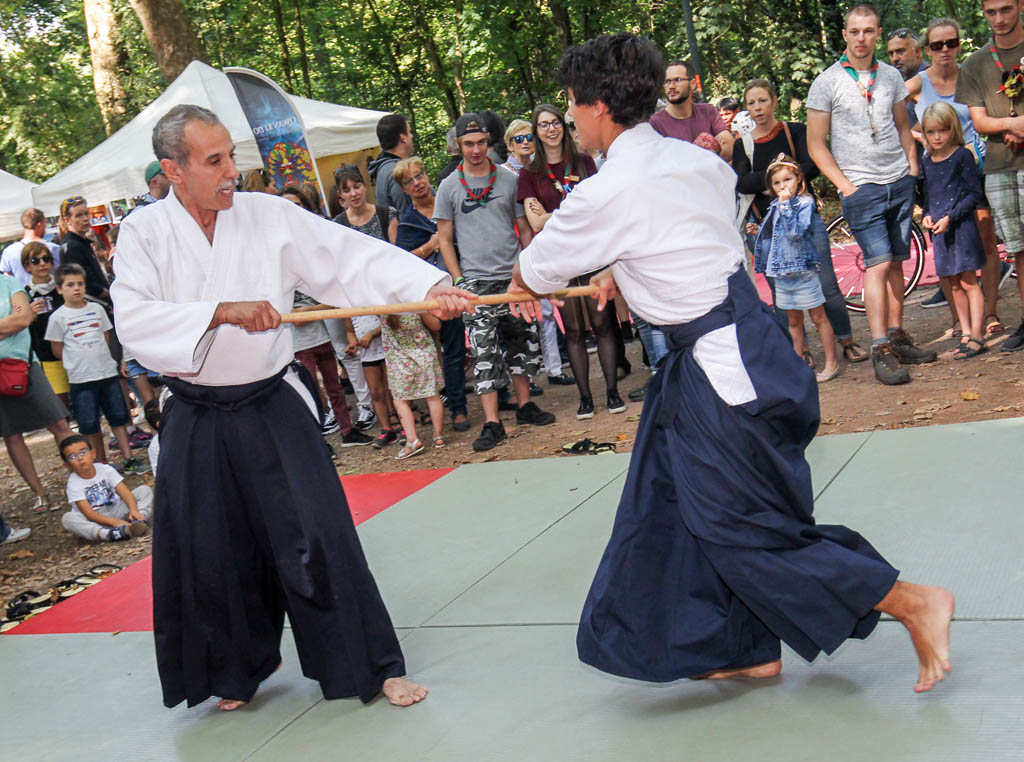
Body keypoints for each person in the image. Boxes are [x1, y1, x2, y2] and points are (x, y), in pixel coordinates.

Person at [509, 32, 954, 696]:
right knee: (669, 500)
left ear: (598, 105)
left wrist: (522, 282)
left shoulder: (607, 191)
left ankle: (907, 600)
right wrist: (620, 269)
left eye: (571, 104)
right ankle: (739, 645)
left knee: (735, 522)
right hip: (747, 340)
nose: (569, 117)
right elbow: (684, 238)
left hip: (720, 363)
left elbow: (538, 270)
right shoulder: (696, 163)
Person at [111, 104, 470, 710]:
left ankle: (367, 666)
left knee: (318, 533)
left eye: (231, 156)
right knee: (209, 548)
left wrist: (428, 287)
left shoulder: (266, 214)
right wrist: (220, 312)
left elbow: (346, 255)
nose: (232, 171)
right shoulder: (143, 233)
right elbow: (134, 320)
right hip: (196, 414)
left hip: (269, 403)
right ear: (173, 170)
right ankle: (233, 672)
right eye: (214, 161)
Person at [807, 4, 937, 385]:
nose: (861, 38)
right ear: (844, 35)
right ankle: (880, 348)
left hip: (898, 180)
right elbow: (815, 144)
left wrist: (911, 169)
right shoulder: (827, 82)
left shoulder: (892, 76)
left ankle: (897, 337)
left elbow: (902, 125)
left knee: (896, 262)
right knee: (877, 264)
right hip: (861, 187)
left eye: (868, 31)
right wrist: (845, 185)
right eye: (854, 31)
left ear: (878, 33)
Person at [436, 112, 556, 452]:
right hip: (475, 281)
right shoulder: (448, 186)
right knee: (484, 351)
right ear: (458, 145)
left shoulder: (508, 179)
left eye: (481, 143)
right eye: (468, 144)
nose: (475, 150)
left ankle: (525, 405)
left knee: (523, 342)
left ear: (489, 142)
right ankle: (492, 422)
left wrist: (526, 268)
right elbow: (444, 238)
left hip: (512, 277)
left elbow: (524, 227)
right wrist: (458, 279)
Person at [734, 78, 867, 365]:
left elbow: (811, 166)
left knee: (827, 283)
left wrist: (780, 178)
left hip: (805, 221)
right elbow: (742, 182)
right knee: (781, 293)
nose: (758, 107)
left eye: (763, 100)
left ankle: (846, 339)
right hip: (767, 226)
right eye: (752, 103)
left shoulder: (794, 131)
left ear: (774, 101)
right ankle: (800, 349)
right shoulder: (743, 144)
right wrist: (777, 176)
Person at [907, 18, 1007, 335]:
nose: (945, 50)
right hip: (938, 174)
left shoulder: (972, 74)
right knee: (946, 248)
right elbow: (888, 111)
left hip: (974, 166)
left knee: (986, 241)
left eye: (951, 43)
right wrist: (917, 138)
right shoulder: (918, 83)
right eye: (937, 45)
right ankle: (958, 320)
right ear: (927, 49)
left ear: (959, 45)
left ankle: (989, 314)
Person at [518, 103, 617, 419]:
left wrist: (552, 214)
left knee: (602, 323)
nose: (550, 129)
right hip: (559, 257)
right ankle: (585, 398)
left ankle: (612, 392)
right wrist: (573, 210)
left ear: (564, 126)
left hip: (592, 251)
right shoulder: (529, 173)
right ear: (536, 131)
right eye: (543, 125)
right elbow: (535, 223)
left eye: (555, 123)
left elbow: (599, 208)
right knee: (573, 329)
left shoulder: (584, 162)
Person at [957, 0, 1024, 352]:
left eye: (1006, 9)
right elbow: (979, 122)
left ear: (1021, 5)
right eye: (991, 12)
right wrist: (1013, 126)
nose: (999, 18)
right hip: (999, 167)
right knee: (1018, 249)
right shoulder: (976, 63)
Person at [45, 264, 148, 474]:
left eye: (80, 284)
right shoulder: (58, 318)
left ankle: (128, 458)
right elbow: (57, 349)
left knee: (118, 417)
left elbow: (106, 337)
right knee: (89, 423)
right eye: (70, 285)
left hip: (107, 374)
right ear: (59, 289)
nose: (76, 288)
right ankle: (100, 464)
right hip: (81, 379)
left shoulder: (97, 309)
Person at [393, 156, 470, 432]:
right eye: (409, 181)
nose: (417, 183)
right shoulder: (408, 224)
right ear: (404, 189)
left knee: (489, 337)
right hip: (441, 291)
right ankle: (458, 408)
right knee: (453, 349)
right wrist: (430, 245)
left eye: (419, 175)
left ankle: (501, 392)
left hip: (470, 276)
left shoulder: (448, 202)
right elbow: (402, 262)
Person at [753, 155, 840, 382]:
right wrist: (759, 230)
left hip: (803, 270)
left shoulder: (804, 203)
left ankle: (831, 363)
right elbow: (777, 236)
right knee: (793, 322)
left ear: (798, 178)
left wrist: (784, 206)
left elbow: (795, 233)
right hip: (782, 273)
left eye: (787, 179)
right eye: (777, 183)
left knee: (818, 317)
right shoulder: (775, 206)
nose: (783, 186)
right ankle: (797, 367)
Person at [0, 272, 74, 513]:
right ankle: (39, 493)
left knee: (59, 422)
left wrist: (20, 319)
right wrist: (11, 322)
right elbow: (20, 319)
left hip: (23, 364)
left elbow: (24, 319)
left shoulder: (8, 282)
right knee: (11, 433)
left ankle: (83, 480)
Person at [920, 102, 988, 358]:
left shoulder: (962, 156)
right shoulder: (926, 160)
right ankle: (966, 332)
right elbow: (928, 196)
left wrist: (952, 216)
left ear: (953, 129)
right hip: (940, 231)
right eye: (931, 132)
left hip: (962, 227)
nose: (937, 137)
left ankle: (978, 335)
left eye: (942, 130)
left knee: (969, 281)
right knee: (953, 283)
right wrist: (927, 214)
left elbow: (974, 193)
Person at [59, 434, 153, 542]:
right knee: (68, 519)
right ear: (67, 465)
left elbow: (125, 493)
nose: (80, 458)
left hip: (116, 509)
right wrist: (115, 522)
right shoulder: (73, 483)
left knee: (144, 490)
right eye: (73, 456)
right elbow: (89, 513)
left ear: (93, 454)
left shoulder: (105, 469)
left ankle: (138, 520)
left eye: (83, 452)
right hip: (95, 521)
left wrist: (134, 510)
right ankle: (108, 534)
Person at [381, 311, 446, 458]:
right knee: (432, 395)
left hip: (398, 359)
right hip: (423, 354)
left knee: (400, 400)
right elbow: (436, 325)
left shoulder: (382, 306)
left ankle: (412, 440)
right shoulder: (415, 303)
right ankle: (438, 436)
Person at [651, 60, 735, 160]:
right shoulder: (655, 123)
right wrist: (710, 149)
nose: (671, 86)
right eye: (667, 81)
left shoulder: (708, 111)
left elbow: (730, 147)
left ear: (692, 84)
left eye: (677, 80)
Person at [22, 242, 69, 409]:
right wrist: (29, 316)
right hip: (47, 356)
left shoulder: (65, 286)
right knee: (60, 404)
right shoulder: (24, 294)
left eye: (46, 259)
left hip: (74, 351)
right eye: (35, 260)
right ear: (27, 267)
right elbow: (23, 327)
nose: (42, 264)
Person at [57, 197, 109, 305]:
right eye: (79, 215)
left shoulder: (82, 243)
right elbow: (86, 284)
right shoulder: (72, 247)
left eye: (86, 213)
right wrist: (111, 294)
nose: (85, 219)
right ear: (67, 220)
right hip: (92, 304)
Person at [0, 208, 61, 286]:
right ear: (40, 225)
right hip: (51, 292)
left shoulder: (9, 252)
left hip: (21, 293)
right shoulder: (54, 248)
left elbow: (6, 279)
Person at [368, 113, 414, 214]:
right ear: (403, 138)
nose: (412, 136)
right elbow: (408, 215)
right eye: (409, 132)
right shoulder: (398, 173)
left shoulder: (383, 169)